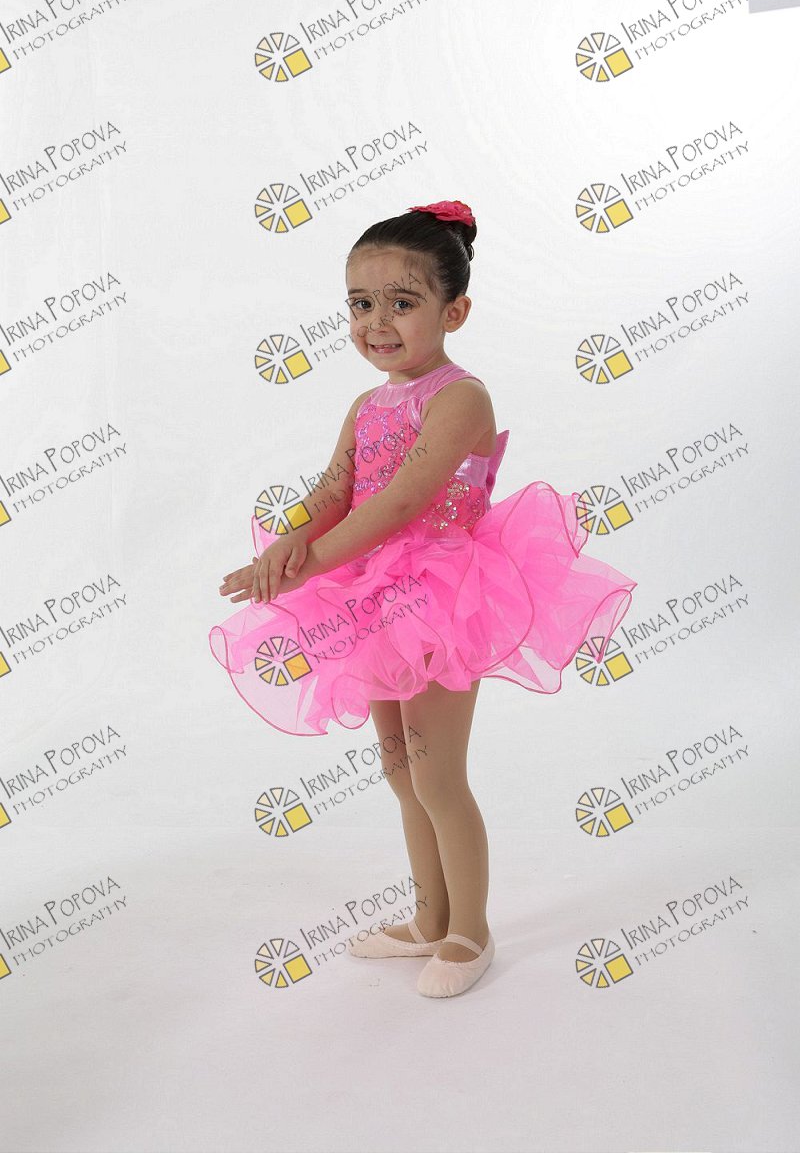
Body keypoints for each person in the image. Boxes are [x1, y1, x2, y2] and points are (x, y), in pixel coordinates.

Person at [209, 199, 637, 998]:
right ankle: (430, 918)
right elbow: (336, 491)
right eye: (360, 303)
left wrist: (308, 564)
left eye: (401, 302)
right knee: (402, 774)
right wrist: (286, 545)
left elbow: (404, 499)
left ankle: (471, 932)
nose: (377, 323)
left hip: (443, 595)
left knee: (439, 777)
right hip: (373, 595)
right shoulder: (366, 404)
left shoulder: (461, 397)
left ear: (454, 311)